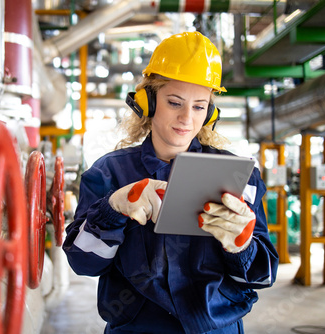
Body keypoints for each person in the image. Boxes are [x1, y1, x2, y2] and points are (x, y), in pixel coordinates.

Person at [63, 31, 279, 333]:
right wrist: (113, 210)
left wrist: (241, 246)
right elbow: (83, 264)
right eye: (175, 102)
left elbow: (261, 278)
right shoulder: (109, 173)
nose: (187, 119)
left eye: (199, 106)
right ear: (148, 101)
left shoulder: (239, 177)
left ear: (210, 112)